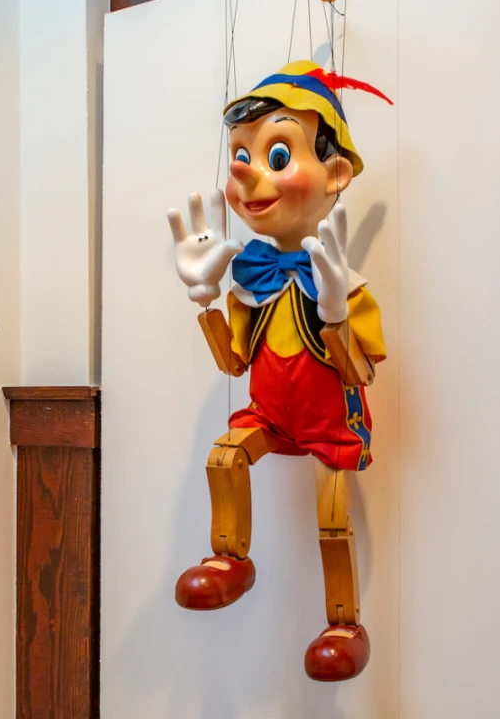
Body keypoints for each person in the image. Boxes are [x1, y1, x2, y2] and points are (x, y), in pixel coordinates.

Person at [168, 60, 390, 682]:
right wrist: (205, 301)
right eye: (241, 155)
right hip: (268, 415)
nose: (247, 175)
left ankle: (343, 622)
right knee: (224, 456)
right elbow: (235, 363)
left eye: (278, 154)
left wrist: (336, 314)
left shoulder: (348, 288)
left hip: (329, 423)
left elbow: (361, 375)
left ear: (336, 173)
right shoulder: (249, 282)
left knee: (331, 515)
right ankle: (231, 559)